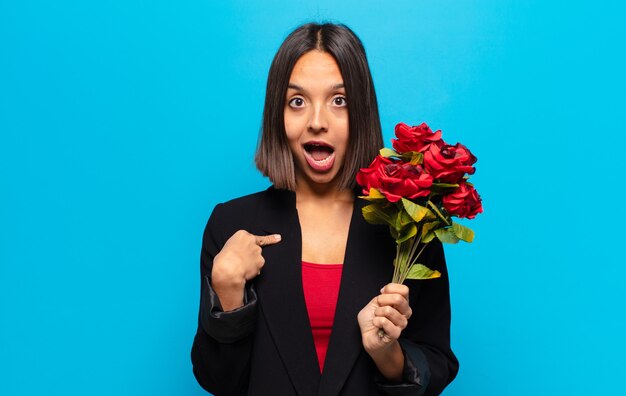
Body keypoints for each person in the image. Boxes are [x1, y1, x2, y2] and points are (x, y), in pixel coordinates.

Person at [191, 22, 458, 396]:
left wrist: (387, 354)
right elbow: (219, 381)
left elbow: (437, 361)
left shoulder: (409, 226)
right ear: (277, 116)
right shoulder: (232, 225)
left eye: (339, 100)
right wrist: (228, 295)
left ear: (362, 111)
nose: (317, 122)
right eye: (297, 102)